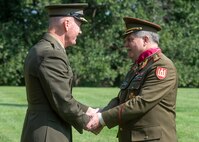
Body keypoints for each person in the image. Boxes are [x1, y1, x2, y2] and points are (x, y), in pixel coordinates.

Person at [87, 17, 178, 142]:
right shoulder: (138, 66)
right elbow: (121, 99)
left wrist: (102, 119)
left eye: (130, 40)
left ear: (145, 40)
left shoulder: (162, 65)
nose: (125, 45)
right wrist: (101, 112)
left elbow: (141, 102)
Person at [20, 3, 98, 142]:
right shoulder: (51, 54)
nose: (80, 31)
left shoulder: (41, 48)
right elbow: (63, 101)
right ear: (67, 24)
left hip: (41, 128)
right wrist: (87, 121)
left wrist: (88, 110)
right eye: (79, 25)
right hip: (49, 133)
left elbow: (57, 95)